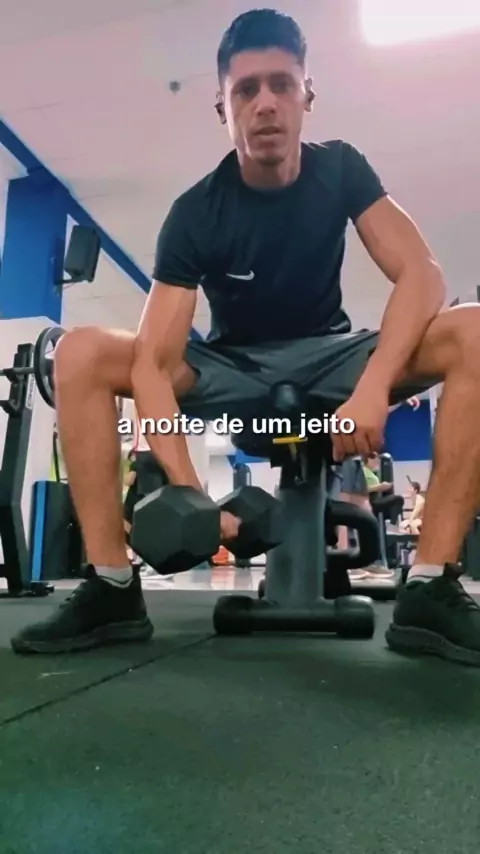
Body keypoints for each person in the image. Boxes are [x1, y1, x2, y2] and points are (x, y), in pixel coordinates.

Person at [11, 9, 480, 666]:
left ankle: (429, 587)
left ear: (307, 96)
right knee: (83, 351)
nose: (265, 104)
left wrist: (375, 386)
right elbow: (152, 364)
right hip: (232, 366)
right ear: (222, 108)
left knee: (474, 329)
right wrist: (192, 498)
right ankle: (112, 588)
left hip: (333, 358)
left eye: (282, 85)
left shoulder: (341, 169)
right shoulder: (197, 212)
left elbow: (423, 275)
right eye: (246, 90)